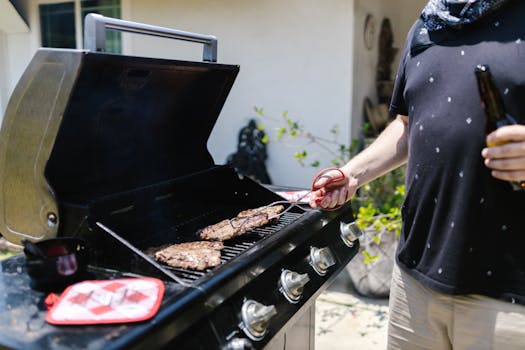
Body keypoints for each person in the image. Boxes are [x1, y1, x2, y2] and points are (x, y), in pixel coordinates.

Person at [310, 1, 525, 349]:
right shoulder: (426, 27)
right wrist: (352, 174)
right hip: (414, 283)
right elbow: (408, 126)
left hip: (508, 298)